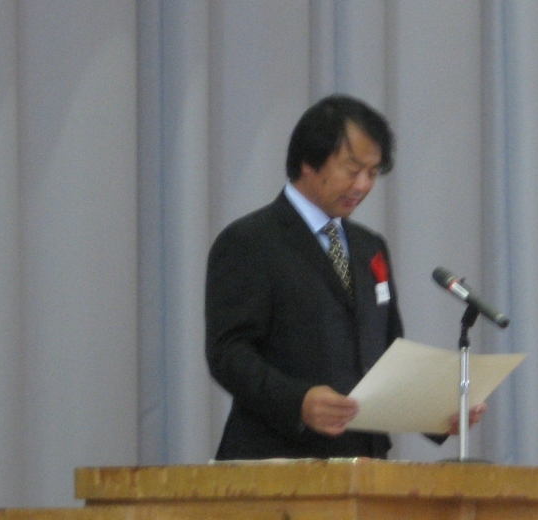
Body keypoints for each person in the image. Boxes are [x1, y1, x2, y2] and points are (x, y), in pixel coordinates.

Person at [205, 94, 479, 460]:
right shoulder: (250, 241)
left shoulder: (369, 247)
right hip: (278, 460)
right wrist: (298, 402)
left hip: (364, 462)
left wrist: (435, 413)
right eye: (352, 170)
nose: (362, 185)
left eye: (373, 173)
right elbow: (228, 354)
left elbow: (387, 354)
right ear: (308, 161)